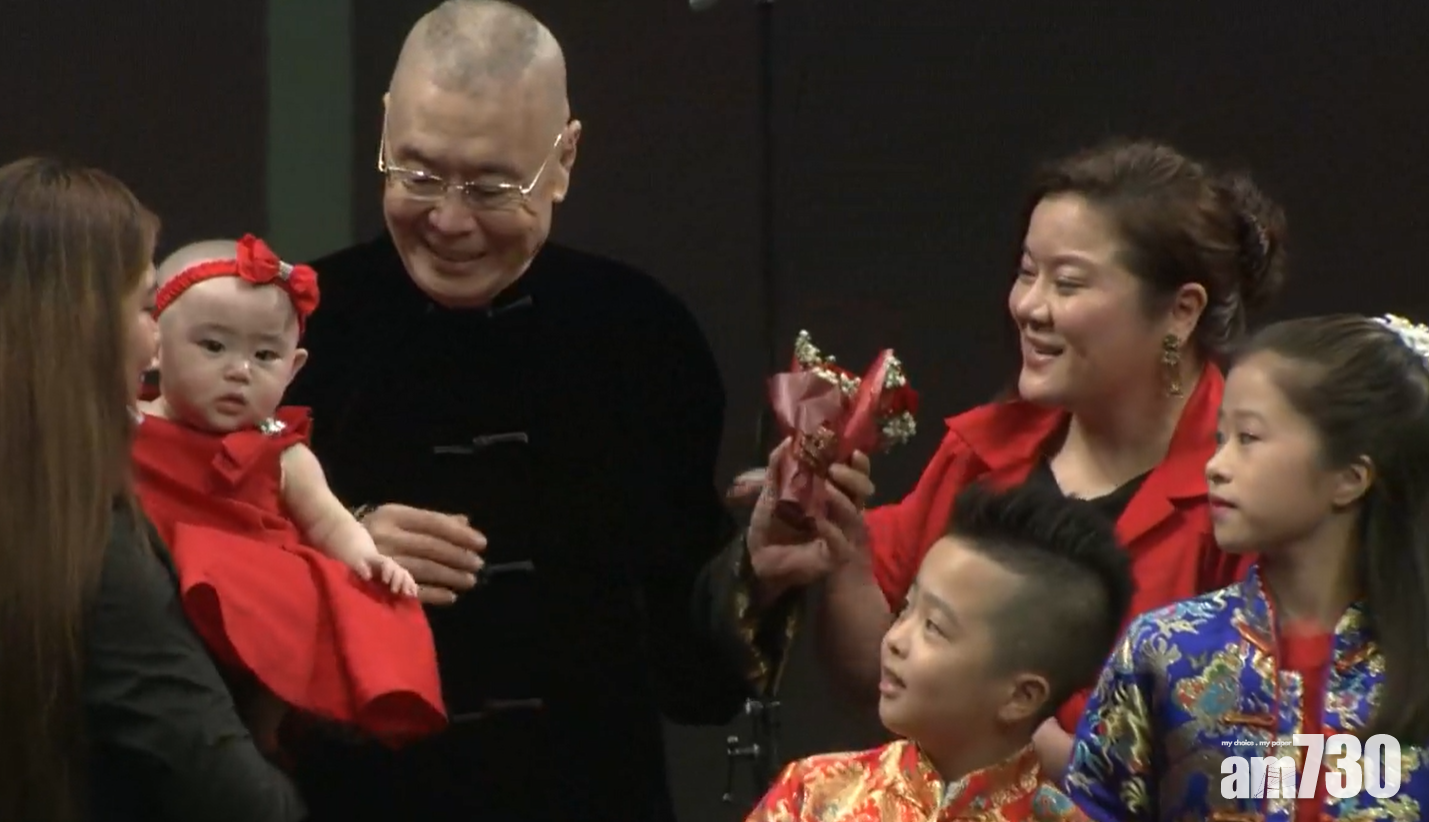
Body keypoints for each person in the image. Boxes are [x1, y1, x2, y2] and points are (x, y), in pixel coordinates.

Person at [278, 3, 795, 820]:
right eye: (416, 175)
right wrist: (332, 549)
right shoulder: (294, 331)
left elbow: (693, 683)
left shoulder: (640, 335)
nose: (449, 220)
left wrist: (757, 573)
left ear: (564, 160)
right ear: (383, 130)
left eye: (492, 187)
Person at [744, 138, 1290, 774]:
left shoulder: (1249, 493)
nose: (1029, 306)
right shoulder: (982, 452)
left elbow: (1260, 767)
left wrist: (1038, 754)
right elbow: (877, 679)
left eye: (1068, 283)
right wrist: (846, 557)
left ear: (1181, 310)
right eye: (1028, 272)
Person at [0, 157, 305, 821]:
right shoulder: (94, 550)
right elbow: (243, 804)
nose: (157, 342)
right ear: (76, 327)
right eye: (147, 307)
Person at [1065, 313, 1429, 820]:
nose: (1215, 465)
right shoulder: (1166, 650)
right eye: (1220, 438)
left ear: (1349, 477)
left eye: (1249, 438)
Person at [134, 234, 445, 753]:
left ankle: (264, 724)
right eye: (213, 346)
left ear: (294, 368)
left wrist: (369, 558)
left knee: (317, 597)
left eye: (264, 355)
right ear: (156, 345)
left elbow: (328, 520)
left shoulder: (283, 453)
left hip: (254, 600)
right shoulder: (125, 424)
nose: (239, 371)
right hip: (154, 600)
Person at [744, 482, 1133, 822]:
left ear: (1021, 696)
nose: (895, 639)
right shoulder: (813, 792)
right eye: (906, 609)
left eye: (933, 627)